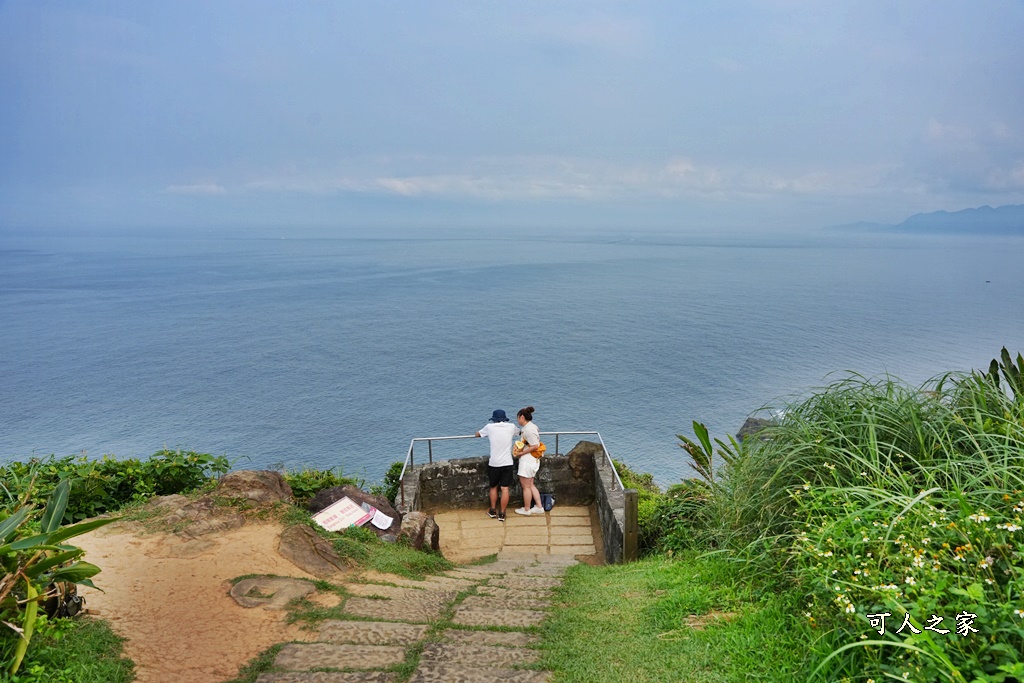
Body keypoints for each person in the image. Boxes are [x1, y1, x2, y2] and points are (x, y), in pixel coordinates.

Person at [474, 408, 517, 522]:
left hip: (494, 463)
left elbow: (477, 434)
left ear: (494, 419)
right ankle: (502, 513)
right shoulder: (511, 426)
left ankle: (493, 510)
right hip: (507, 462)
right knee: (505, 488)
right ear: (504, 419)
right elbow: (520, 432)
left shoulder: (489, 427)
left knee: (493, 487)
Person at [513, 406, 544, 515]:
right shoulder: (531, 427)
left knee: (525, 486)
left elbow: (535, 445)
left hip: (528, 461)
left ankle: (526, 509)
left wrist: (521, 453)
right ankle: (539, 506)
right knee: (530, 485)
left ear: (522, 417)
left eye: (518, 418)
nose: (517, 420)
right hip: (532, 460)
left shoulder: (529, 430)